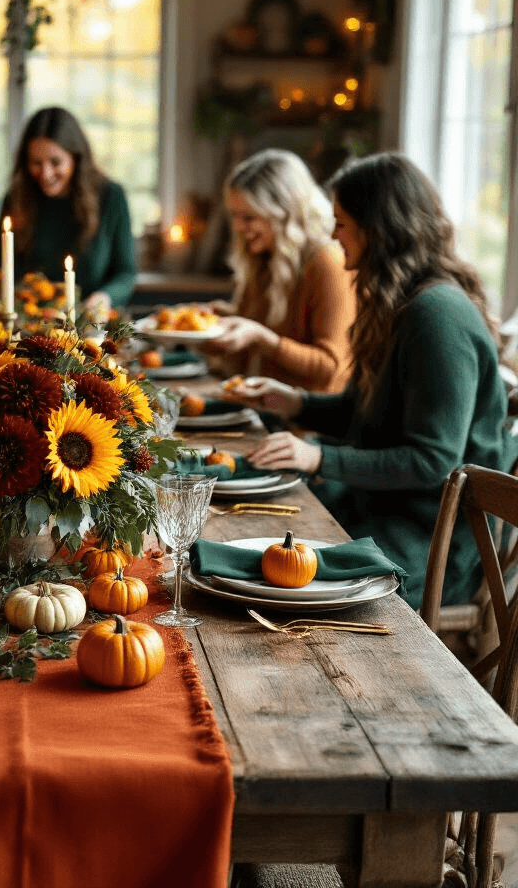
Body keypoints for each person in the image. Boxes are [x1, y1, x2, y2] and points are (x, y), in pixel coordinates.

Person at [232, 153, 516, 608]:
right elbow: (367, 411)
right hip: (381, 509)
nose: (331, 236)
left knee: (274, 575)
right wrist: (296, 404)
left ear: (378, 229)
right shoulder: (400, 301)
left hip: (434, 541)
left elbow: (432, 460)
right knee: (259, 540)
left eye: (341, 223)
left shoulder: (437, 316)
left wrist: (318, 457)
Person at [202, 149, 355, 392]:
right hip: (265, 407)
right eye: (235, 215)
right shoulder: (264, 258)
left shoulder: (327, 262)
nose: (237, 226)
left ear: (285, 214)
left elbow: (330, 369)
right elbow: (256, 337)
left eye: (249, 217)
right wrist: (210, 326)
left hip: (307, 420)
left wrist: (262, 338)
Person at [0, 106, 137, 314]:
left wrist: (105, 297)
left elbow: (126, 272)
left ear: (76, 158)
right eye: (36, 162)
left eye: (55, 162)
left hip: (91, 325)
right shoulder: (16, 199)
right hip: (26, 327)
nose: (45, 174)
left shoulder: (111, 197)